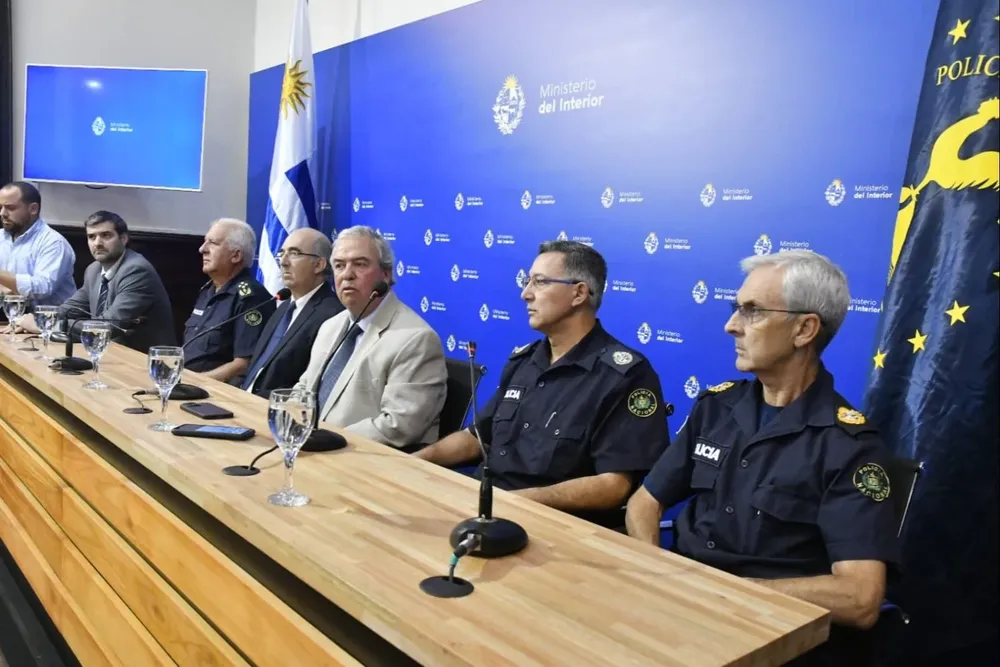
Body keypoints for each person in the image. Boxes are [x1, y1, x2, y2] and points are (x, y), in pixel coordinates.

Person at [625, 250, 899, 666]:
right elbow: (645, 501)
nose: (731, 325)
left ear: (804, 329)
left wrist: (725, 590)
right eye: (737, 308)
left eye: (752, 312)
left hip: (768, 634)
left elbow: (860, 598)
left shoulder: (850, 446)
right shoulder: (715, 407)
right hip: (677, 609)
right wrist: (655, 573)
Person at [415, 240, 669, 527]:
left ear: (579, 293)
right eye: (527, 282)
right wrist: (415, 461)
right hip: (484, 511)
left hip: (553, 527)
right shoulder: (523, 362)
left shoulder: (625, 375)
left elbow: (614, 485)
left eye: (540, 282)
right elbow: (477, 438)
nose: (525, 294)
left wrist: (513, 502)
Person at [295, 226, 446, 448]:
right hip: (312, 447)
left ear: (385, 274)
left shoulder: (415, 339)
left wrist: (323, 440)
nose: (347, 274)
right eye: (339, 265)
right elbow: (305, 388)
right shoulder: (330, 326)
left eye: (360, 264)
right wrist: (289, 421)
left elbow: (398, 425)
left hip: (365, 460)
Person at [19, 211, 176, 353]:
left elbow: (108, 326)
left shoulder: (136, 270)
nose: (97, 243)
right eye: (92, 237)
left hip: (145, 362)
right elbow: (70, 308)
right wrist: (36, 319)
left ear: (123, 239)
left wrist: (45, 326)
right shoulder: (93, 270)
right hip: (108, 354)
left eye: (106, 235)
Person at [233, 228, 344, 396]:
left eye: (294, 253)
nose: (283, 262)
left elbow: (310, 386)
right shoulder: (283, 306)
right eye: (282, 253)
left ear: (319, 264)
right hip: (243, 400)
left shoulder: (332, 315)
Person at [183, 218, 275, 382]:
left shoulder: (251, 298)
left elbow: (243, 364)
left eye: (213, 243)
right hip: (186, 382)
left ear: (236, 255)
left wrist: (197, 381)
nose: (202, 249)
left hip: (214, 393)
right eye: (205, 242)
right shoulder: (208, 291)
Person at [0, 181, 76, 307]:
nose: (2, 213)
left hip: (47, 322)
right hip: (9, 317)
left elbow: (42, 288)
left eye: (10, 208)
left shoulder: (53, 242)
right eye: (0, 207)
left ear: (33, 209)